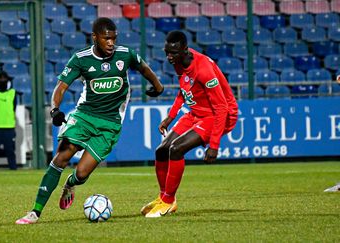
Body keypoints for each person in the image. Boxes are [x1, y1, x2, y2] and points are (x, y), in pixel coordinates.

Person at [15, 17, 164, 224]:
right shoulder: (81, 58)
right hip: (84, 116)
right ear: (95, 37)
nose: (111, 43)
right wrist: (55, 109)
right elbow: (61, 87)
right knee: (61, 158)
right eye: (106, 39)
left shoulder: (125, 55)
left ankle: (70, 184)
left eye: (113, 38)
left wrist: (158, 87)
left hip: (110, 124)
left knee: (82, 173)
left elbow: (145, 68)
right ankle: (35, 212)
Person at [141, 30, 238, 218]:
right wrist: (171, 116)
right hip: (196, 111)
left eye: (173, 53)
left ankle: (168, 201)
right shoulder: (179, 62)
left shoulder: (204, 71)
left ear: (185, 50)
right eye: (167, 52)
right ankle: (164, 198)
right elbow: (184, 89)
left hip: (218, 115)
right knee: (162, 150)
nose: (169, 57)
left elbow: (221, 108)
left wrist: (214, 145)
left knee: (176, 149)